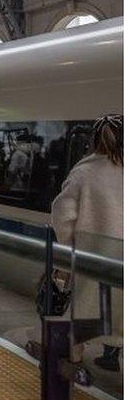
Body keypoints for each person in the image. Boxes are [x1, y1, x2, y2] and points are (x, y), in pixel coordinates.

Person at [51, 114, 123, 372]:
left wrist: (69, 246)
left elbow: (62, 214)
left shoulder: (84, 171)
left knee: (83, 318)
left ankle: (75, 368)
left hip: (93, 260)